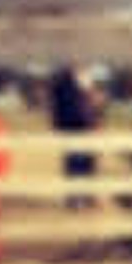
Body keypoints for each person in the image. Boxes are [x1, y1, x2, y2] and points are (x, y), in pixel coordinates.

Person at [50, 65, 104, 209]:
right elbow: (59, 107)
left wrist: (98, 115)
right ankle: (74, 199)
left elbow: (97, 105)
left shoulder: (90, 78)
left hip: (90, 128)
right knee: (73, 164)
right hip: (72, 127)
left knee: (90, 163)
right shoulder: (62, 81)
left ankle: (89, 196)